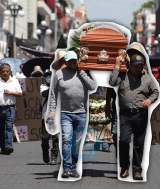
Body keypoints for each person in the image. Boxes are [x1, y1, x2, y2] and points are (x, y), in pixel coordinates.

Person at [109, 53, 159, 180]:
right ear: (130, 66)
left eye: (140, 66)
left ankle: (137, 171)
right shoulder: (122, 76)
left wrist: (150, 100)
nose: (138, 69)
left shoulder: (147, 78)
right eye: (136, 66)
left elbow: (155, 92)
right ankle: (124, 168)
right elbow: (112, 82)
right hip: (125, 115)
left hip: (141, 115)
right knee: (124, 141)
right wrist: (116, 66)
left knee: (139, 143)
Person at [47, 50, 96, 179]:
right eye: (71, 61)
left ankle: (73, 167)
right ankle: (67, 168)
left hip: (81, 114)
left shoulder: (83, 73)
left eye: (75, 60)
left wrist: (83, 73)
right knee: (66, 141)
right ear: (66, 62)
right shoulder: (58, 74)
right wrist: (51, 113)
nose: (74, 63)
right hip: (66, 114)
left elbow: (93, 87)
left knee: (77, 144)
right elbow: (52, 96)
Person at [0, 63, 22, 155]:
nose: (5, 73)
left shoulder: (14, 81)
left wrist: (10, 92)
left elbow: (20, 93)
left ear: (10, 72)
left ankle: (8, 146)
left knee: (9, 127)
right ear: (1, 72)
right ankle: (3, 147)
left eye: (7, 71)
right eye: (3, 71)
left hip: (10, 108)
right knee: (0, 129)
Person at [40, 69, 59, 165]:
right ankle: (45, 153)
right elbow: (45, 94)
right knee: (45, 138)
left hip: (56, 116)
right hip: (46, 117)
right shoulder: (43, 87)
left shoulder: (58, 86)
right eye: (47, 76)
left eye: (50, 76)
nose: (49, 78)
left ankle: (54, 156)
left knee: (56, 137)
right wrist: (52, 86)